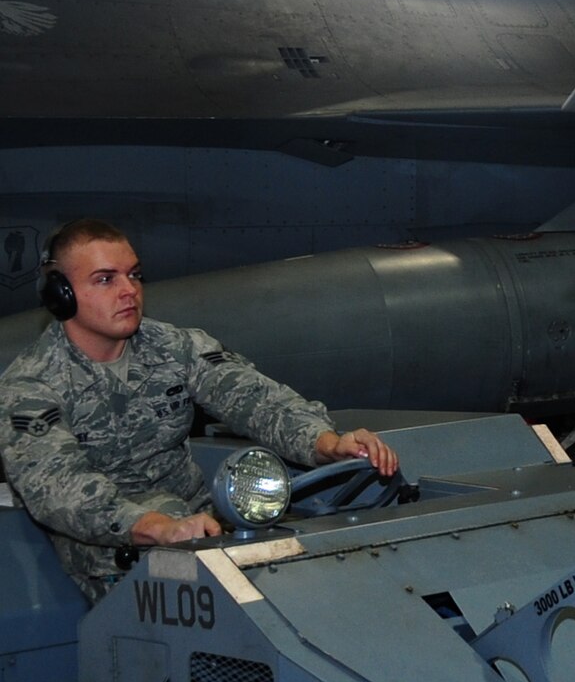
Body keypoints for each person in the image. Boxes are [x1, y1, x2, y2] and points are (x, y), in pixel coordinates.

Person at [0, 219, 399, 602]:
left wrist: (328, 443)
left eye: (134, 275)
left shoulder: (174, 346)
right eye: (106, 279)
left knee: (314, 577)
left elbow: (255, 398)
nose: (129, 291)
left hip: (201, 525)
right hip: (109, 551)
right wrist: (155, 526)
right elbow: (58, 486)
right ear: (60, 293)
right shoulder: (31, 385)